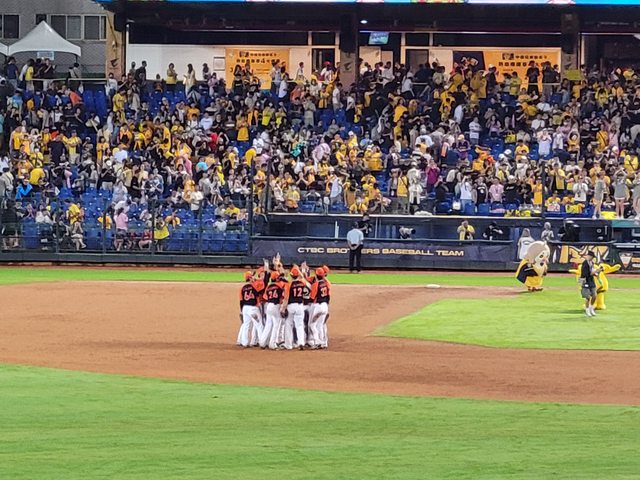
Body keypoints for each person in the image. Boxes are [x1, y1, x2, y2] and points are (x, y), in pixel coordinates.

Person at [281, 266, 308, 350]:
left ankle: (288, 345)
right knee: (299, 325)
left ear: (291, 275)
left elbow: (286, 299)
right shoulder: (302, 282)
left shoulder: (289, 284)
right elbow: (302, 277)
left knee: (288, 325)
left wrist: (283, 309)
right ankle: (301, 343)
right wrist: (299, 270)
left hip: (291, 306)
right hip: (300, 306)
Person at [238, 271, 262, 348]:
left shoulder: (242, 288)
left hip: (245, 308)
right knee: (259, 325)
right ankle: (262, 342)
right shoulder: (254, 286)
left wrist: (241, 311)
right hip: (253, 308)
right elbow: (258, 297)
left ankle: (244, 343)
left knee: (246, 325)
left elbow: (241, 301)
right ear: (250, 278)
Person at [309, 267, 331, 349]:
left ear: (316, 275)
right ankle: (324, 342)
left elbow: (312, 298)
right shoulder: (327, 284)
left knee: (312, 325)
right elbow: (328, 296)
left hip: (318, 307)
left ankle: (317, 342)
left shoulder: (315, 285)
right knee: (321, 325)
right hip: (325, 306)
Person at [580, 251, 599, 317]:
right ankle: (587, 310)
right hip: (585, 281)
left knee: (594, 295)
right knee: (587, 297)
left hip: (591, 280)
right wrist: (595, 271)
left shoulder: (592, 263)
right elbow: (586, 274)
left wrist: (596, 273)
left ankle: (591, 308)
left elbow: (592, 271)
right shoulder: (584, 264)